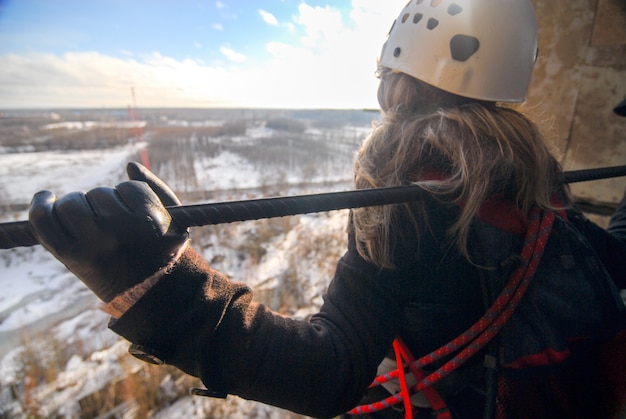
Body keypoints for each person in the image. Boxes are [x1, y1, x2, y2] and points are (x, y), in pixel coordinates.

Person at [27, 0, 626, 418]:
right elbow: (614, 260)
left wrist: (158, 287)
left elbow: (330, 372)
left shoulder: (415, 190)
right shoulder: (534, 175)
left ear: (396, 74)